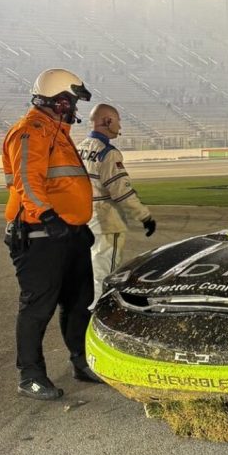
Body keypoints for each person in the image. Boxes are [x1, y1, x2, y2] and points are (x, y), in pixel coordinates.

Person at [2, 67, 101, 401]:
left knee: (79, 302)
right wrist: (47, 216)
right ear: (59, 101)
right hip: (39, 234)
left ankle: (81, 361)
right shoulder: (30, 131)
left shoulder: (57, 132)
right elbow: (27, 180)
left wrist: (77, 226)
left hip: (67, 233)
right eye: (72, 101)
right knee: (38, 307)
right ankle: (30, 375)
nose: (75, 107)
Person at [76, 104, 156, 309]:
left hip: (84, 217)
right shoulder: (108, 153)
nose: (120, 126)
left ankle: (88, 308)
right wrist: (144, 216)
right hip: (106, 221)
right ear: (108, 121)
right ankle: (100, 312)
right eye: (118, 121)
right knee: (106, 273)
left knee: (91, 269)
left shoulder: (79, 148)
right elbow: (122, 192)